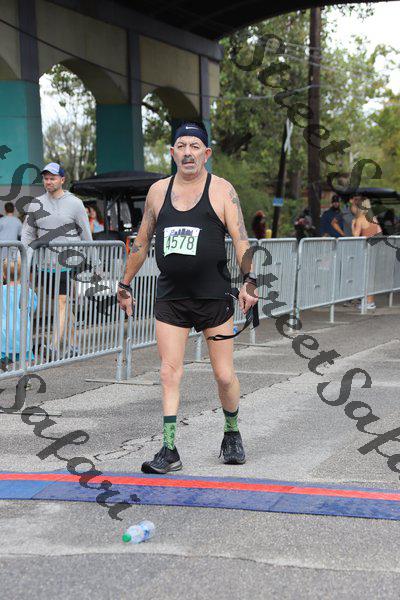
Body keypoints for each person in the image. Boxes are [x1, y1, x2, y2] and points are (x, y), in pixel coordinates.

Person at [117, 121, 258, 474]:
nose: (188, 152)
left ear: (206, 153)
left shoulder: (222, 190)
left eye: (195, 146)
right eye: (181, 146)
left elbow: (240, 238)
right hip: (171, 298)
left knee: (224, 375)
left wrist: (250, 281)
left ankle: (231, 433)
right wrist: (125, 283)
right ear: (172, 153)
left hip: (213, 297)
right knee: (169, 372)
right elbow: (141, 242)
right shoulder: (158, 192)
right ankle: (169, 449)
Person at [21, 162, 92, 356]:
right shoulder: (36, 204)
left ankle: (53, 346)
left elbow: (86, 233)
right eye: (46, 178)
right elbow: (27, 233)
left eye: (52, 178)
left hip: (69, 262)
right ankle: (74, 345)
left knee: (61, 302)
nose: (48, 181)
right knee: (63, 305)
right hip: (46, 264)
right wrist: (24, 259)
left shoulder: (75, 203)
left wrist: (96, 262)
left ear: (62, 180)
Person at [1, 257, 37, 370]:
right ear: (23, 274)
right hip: (22, 332)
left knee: (3, 355)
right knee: (25, 358)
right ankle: (25, 374)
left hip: (3, 334)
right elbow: (32, 309)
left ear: (3, 275)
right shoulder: (28, 292)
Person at [350, 196, 382, 311]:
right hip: (374, 249)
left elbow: (355, 236)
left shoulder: (360, 219)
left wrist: (352, 225)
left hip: (364, 250)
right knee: (371, 276)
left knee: (364, 276)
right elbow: (379, 232)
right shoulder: (373, 218)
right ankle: (371, 301)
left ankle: (366, 302)